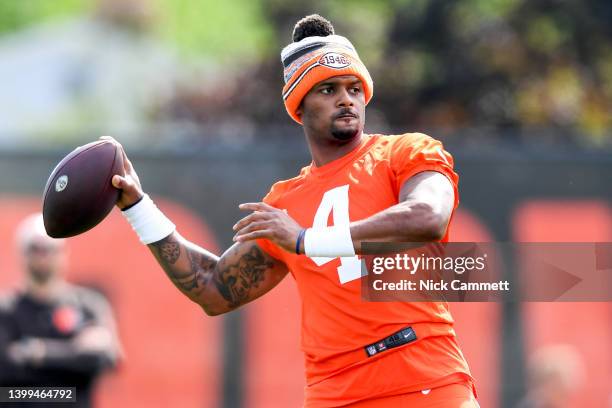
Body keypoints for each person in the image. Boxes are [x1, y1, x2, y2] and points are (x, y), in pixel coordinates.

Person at [109, 14, 478, 407]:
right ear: (299, 105)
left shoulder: (403, 152)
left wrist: (305, 240)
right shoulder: (285, 203)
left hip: (422, 376)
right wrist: (137, 206)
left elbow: (428, 217)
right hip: (334, 392)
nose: (346, 98)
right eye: (328, 89)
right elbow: (213, 288)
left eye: (355, 88)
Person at [0, 213, 122, 408]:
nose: (43, 257)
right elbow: (5, 369)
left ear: (63, 252)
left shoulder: (88, 305)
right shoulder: (5, 309)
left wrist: (37, 352)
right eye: (35, 249)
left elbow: (105, 357)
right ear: (21, 253)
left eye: (49, 249)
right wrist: (73, 364)